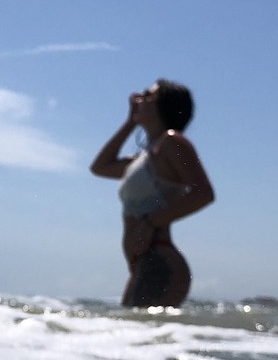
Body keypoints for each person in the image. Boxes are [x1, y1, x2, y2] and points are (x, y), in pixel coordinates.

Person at [90, 79, 215, 308]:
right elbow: (99, 167)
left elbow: (204, 193)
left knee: (137, 328)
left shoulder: (172, 142)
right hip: (141, 263)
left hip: (160, 259)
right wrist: (130, 122)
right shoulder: (145, 156)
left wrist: (150, 223)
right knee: (128, 327)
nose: (138, 98)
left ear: (165, 105)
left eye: (148, 95)